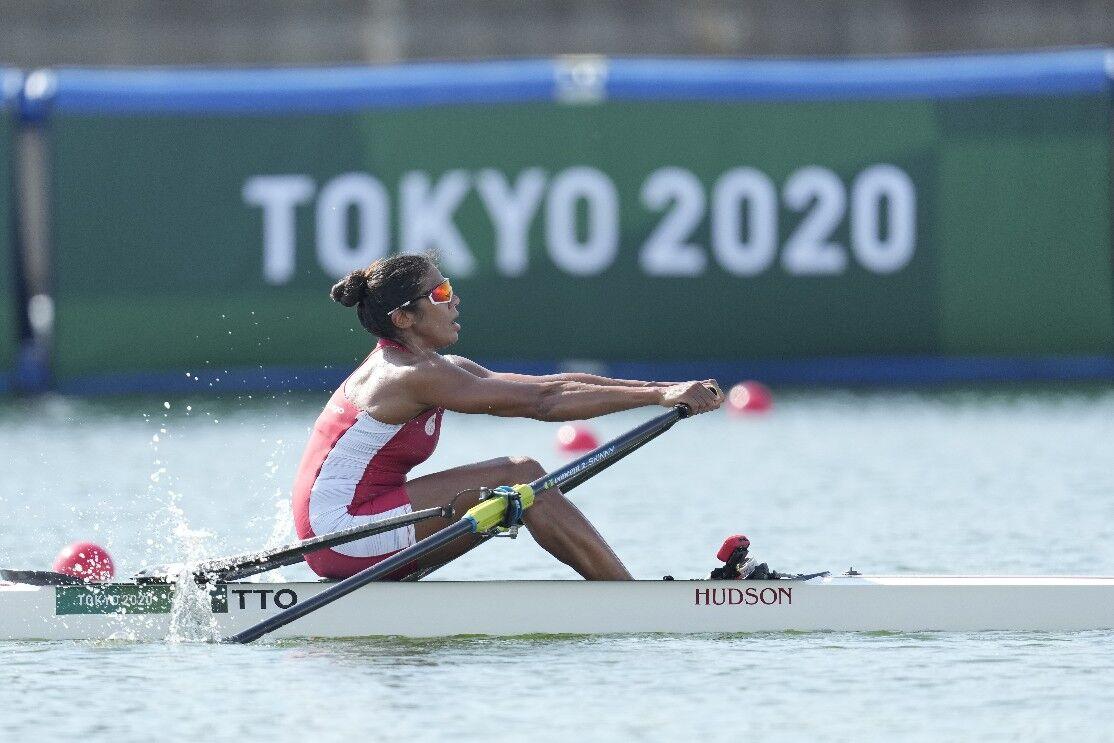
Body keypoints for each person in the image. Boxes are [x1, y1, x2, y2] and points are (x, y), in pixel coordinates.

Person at [291, 254, 723, 581]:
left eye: (449, 287)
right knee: (523, 476)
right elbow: (543, 404)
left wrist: (666, 389)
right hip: (341, 533)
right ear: (403, 317)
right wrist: (660, 395)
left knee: (522, 479)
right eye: (439, 294)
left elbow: (548, 384)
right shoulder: (409, 376)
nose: (454, 300)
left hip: (347, 526)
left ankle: (622, 592)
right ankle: (630, 599)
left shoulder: (429, 366)